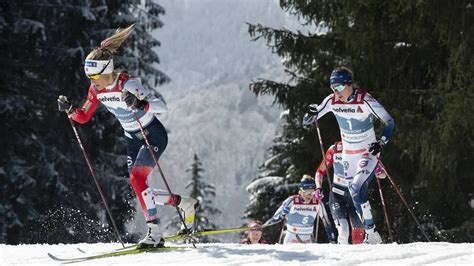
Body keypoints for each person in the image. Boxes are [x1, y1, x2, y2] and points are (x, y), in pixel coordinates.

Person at [57, 24, 198, 248]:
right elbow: (83, 117)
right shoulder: (96, 91)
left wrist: (140, 103)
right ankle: (184, 203)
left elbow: (161, 107)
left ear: (106, 71)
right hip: (132, 138)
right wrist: (70, 110)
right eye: (88, 76)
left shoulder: (127, 84)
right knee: (140, 186)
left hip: (152, 134)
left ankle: (154, 231)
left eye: (94, 76)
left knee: (136, 179)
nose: (91, 81)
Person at [303, 66, 395, 244]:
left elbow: (390, 121)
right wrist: (310, 113)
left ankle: (372, 232)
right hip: (348, 156)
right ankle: (373, 234)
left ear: (349, 84)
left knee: (355, 188)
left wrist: (381, 142)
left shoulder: (365, 100)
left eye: (338, 88)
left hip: (366, 153)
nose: (336, 93)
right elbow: (308, 121)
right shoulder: (332, 101)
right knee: (355, 196)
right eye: (332, 88)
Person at [315, 141, 387, 244]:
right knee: (343, 232)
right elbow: (320, 171)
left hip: (355, 195)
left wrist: (376, 168)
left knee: (359, 235)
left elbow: (383, 175)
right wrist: (318, 187)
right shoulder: (335, 149)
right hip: (338, 194)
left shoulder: (363, 148)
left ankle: (357, 259)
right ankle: (342, 257)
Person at [266, 175, 335, 244]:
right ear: (301, 191)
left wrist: (331, 239)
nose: (310, 195)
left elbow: (326, 221)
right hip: (291, 237)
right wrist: (283, 213)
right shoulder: (292, 200)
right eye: (308, 192)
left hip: (308, 237)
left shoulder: (317, 203)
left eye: (313, 193)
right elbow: (275, 217)